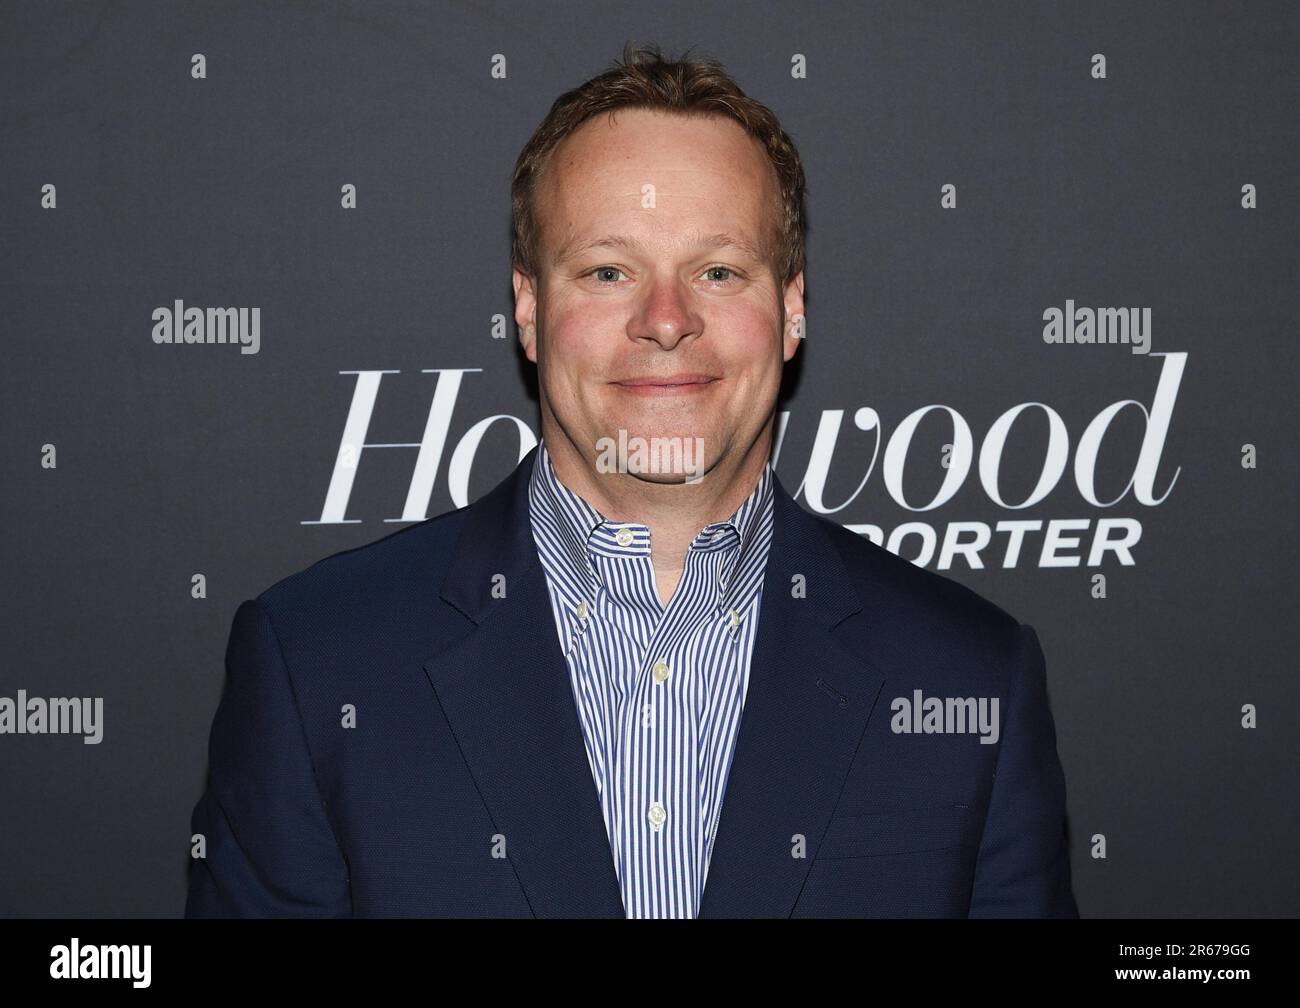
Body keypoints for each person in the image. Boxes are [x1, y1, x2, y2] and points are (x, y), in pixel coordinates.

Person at [186, 42, 1078, 918]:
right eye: (609, 271)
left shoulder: (969, 678)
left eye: (718, 271)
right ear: (529, 310)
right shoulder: (317, 664)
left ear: (792, 307)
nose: (665, 321)